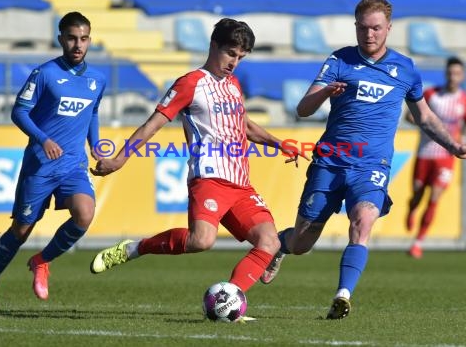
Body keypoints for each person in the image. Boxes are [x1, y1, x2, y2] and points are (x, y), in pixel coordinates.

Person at [259, 0, 466, 320]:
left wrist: (455, 146)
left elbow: (424, 117)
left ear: (388, 28)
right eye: (363, 28)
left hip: (372, 166)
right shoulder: (339, 61)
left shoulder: (405, 69)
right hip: (331, 162)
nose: (370, 35)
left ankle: (342, 295)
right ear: (356, 27)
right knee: (302, 243)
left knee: (362, 222)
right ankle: (282, 244)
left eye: (376, 28)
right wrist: (325, 92)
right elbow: (303, 108)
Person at [88, 18, 306, 316]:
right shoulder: (190, 83)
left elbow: (244, 126)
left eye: (241, 57)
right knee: (201, 240)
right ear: (213, 45)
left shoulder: (233, 85)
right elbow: (152, 125)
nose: (234, 63)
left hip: (241, 184)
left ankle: (231, 303)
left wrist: (279, 143)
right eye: (231, 53)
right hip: (209, 179)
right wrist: (119, 158)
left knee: (268, 242)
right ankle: (134, 248)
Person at [0, 12, 106, 307]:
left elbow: (93, 113)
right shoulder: (44, 74)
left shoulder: (97, 80)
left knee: (85, 213)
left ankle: (42, 261)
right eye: (72, 38)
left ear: (90, 40)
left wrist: (96, 145)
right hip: (40, 165)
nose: (78, 44)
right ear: (60, 39)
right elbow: (19, 112)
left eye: (84, 38)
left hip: (73, 164)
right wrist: (43, 139)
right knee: (21, 231)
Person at [405, 57, 466, 259]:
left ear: (463, 76)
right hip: (425, 152)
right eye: (450, 73)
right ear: (445, 74)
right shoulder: (431, 94)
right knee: (417, 193)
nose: (453, 77)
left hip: (446, 156)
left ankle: (418, 242)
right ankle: (412, 209)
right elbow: (411, 115)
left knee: (434, 197)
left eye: (457, 74)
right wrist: (422, 123)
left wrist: (462, 139)